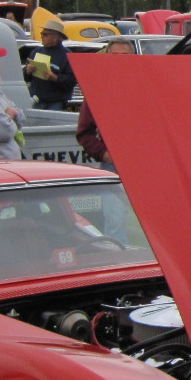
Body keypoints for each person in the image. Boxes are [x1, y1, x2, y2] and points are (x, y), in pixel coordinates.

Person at [76, 37, 136, 242]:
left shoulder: (144, 87)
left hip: (146, 168)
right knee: (115, 223)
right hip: (113, 169)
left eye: (125, 56)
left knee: (153, 227)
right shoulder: (96, 89)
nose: (119, 61)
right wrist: (105, 154)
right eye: (114, 56)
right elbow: (84, 132)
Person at [27, 24, 77, 110]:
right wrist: (28, 70)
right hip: (36, 101)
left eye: (45, 34)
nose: (42, 36)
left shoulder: (67, 56)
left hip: (56, 103)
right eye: (42, 33)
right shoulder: (36, 51)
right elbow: (25, 77)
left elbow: (72, 80)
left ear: (56, 37)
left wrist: (56, 78)